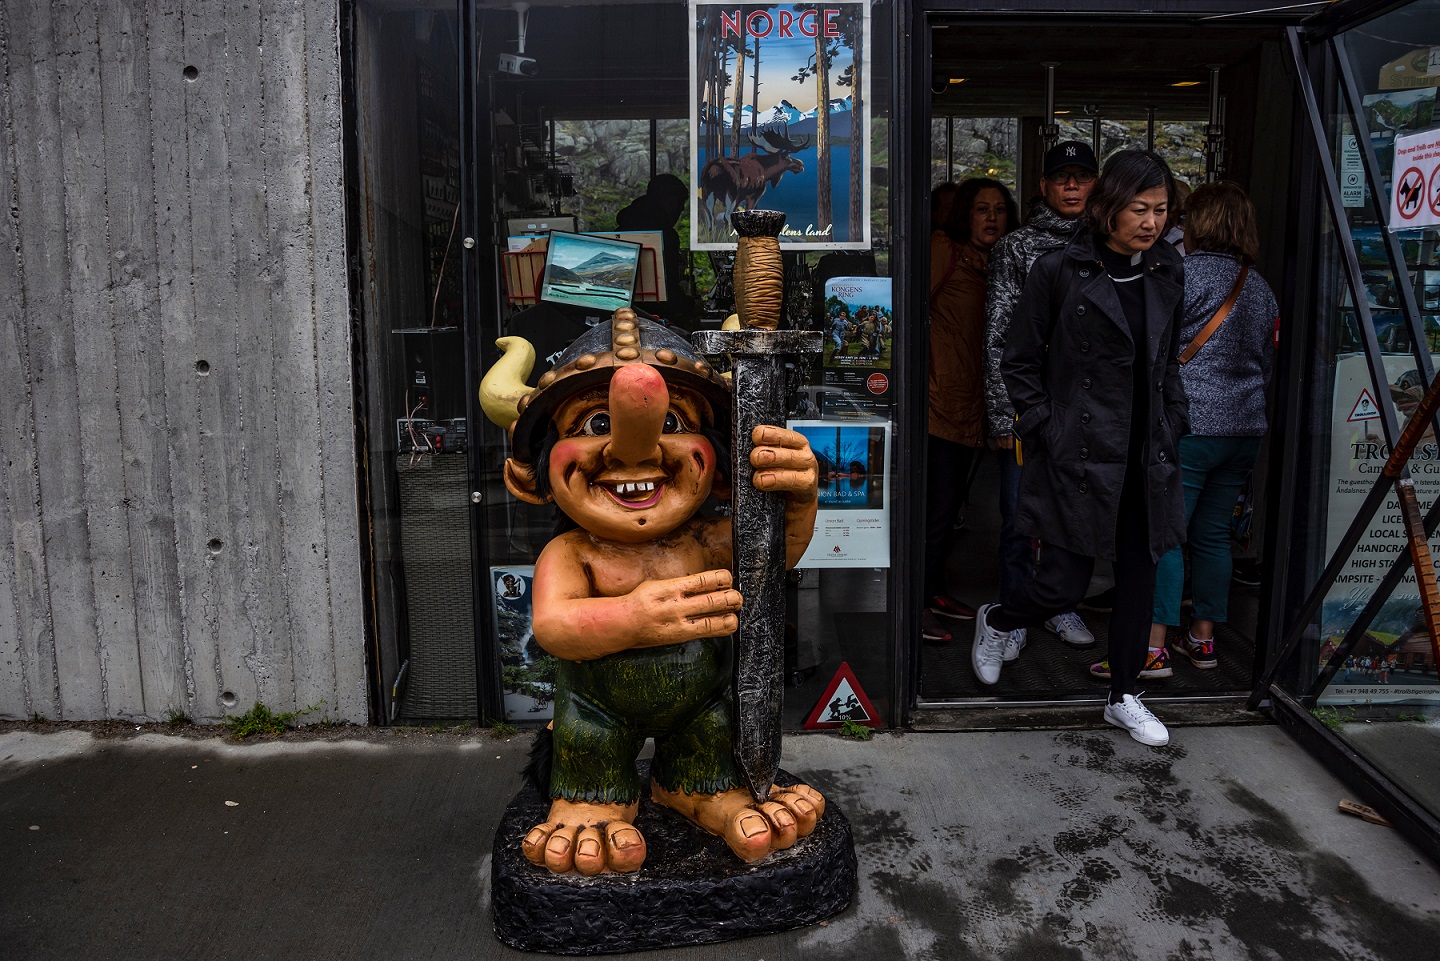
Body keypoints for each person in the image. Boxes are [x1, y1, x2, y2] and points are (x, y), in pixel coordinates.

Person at [974, 149, 1189, 747]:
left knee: (1138, 579)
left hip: (1146, 451)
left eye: (1162, 210)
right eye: (1140, 210)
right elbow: (1017, 357)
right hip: (1080, 448)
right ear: (1108, 209)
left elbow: (1167, 359)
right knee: (1063, 585)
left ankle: (1123, 694)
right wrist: (1045, 423)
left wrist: (1174, 416)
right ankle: (1000, 618)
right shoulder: (1059, 270)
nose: (1151, 223)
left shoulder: (1166, 268)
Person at [1148, 182, 1277, 675]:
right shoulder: (1259, 286)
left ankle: (1153, 645)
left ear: (1196, 223)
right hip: (1244, 430)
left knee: (1167, 535)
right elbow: (1265, 363)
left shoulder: (1181, 273)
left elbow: (1157, 348)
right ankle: (1203, 641)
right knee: (1213, 537)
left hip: (1189, 427)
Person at [983, 141, 1101, 658]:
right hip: (1028, 405)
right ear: (1044, 186)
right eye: (1062, 178)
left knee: (1075, 512)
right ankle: (1011, 614)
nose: (1072, 186)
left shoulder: (1107, 241)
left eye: (1082, 177)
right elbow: (997, 334)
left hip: (1092, 408)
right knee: (1018, 514)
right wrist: (1000, 410)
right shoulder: (1017, 247)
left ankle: (1058, 604)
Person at [924, 178, 1019, 642]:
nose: (992, 218)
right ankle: (916, 603)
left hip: (975, 406)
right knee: (935, 509)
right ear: (965, 214)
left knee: (951, 507)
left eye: (1000, 209)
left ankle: (934, 590)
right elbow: (907, 313)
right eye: (982, 209)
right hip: (939, 401)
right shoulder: (945, 249)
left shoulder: (1001, 261)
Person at [615, 173, 696, 326]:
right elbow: (669, 290)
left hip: (622, 314)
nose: (680, 211)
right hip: (657, 317)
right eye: (679, 205)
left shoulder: (621, 229)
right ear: (669, 202)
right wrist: (691, 305)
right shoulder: (666, 236)